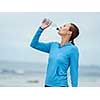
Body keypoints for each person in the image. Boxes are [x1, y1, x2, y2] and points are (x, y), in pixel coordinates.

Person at [30, 18, 79, 87]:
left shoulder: (73, 49)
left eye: (64, 26)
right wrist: (41, 29)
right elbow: (34, 44)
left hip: (60, 85)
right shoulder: (53, 45)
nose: (61, 26)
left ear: (69, 32)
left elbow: (74, 71)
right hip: (47, 85)